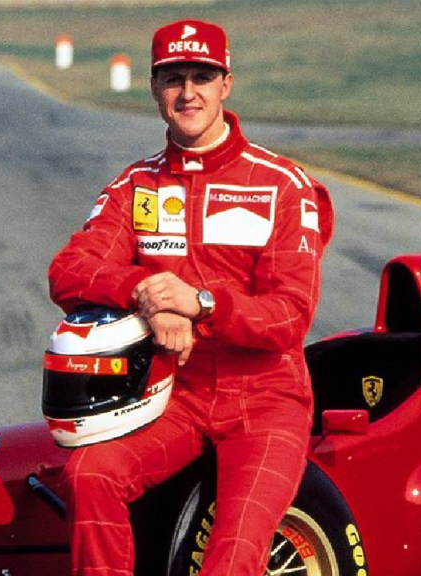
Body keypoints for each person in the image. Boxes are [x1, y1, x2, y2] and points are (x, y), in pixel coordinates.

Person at [47, 18, 334, 576]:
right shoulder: (137, 186)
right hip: (172, 397)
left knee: (233, 556)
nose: (188, 93)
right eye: (173, 78)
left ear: (226, 84)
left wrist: (200, 304)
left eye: (201, 77)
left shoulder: (282, 184)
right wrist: (148, 295)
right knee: (89, 476)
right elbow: (69, 271)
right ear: (154, 88)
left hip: (266, 399)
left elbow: (289, 318)